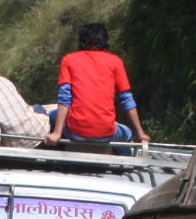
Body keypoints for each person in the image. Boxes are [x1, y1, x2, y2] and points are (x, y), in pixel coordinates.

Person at [44, 23, 149, 151]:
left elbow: (65, 97)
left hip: (75, 133)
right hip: (106, 133)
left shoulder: (69, 60)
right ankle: (123, 167)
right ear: (105, 41)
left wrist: (57, 133)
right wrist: (140, 133)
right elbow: (126, 99)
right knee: (127, 133)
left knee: (52, 114)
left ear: (81, 41)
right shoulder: (116, 62)